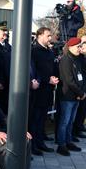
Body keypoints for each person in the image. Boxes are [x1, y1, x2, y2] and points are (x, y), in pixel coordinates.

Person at [29, 27, 58, 155]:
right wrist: (47, 79)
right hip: (38, 89)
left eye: (50, 36)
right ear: (39, 35)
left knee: (42, 118)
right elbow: (35, 70)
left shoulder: (49, 51)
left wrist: (55, 78)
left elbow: (52, 67)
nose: (50, 38)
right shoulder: (34, 50)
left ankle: (40, 142)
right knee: (35, 119)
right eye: (48, 35)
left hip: (48, 89)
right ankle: (33, 145)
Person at [57, 37, 84, 156]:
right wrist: (80, 93)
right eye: (78, 47)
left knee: (70, 121)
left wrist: (81, 92)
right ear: (71, 47)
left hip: (76, 96)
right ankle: (61, 145)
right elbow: (69, 80)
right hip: (67, 95)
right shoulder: (65, 60)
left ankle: (69, 141)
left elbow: (81, 77)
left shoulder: (77, 59)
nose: (80, 49)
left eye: (80, 46)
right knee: (64, 121)